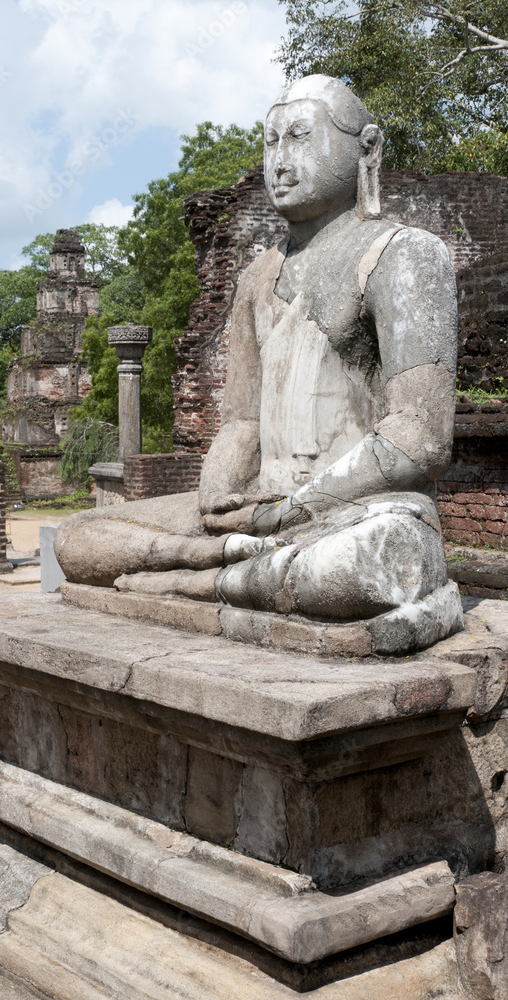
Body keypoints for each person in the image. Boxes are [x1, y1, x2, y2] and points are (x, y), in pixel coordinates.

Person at [55, 75, 462, 638]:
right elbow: (244, 422)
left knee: (364, 567)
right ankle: (233, 566)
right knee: (79, 538)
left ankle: (190, 579)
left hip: (357, 510)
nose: (280, 161)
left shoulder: (404, 255)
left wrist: (292, 510)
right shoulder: (256, 276)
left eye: (300, 137)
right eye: (271, 141)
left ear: (367, 148)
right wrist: (217, 495)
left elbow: (420, 436)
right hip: (256, 509)